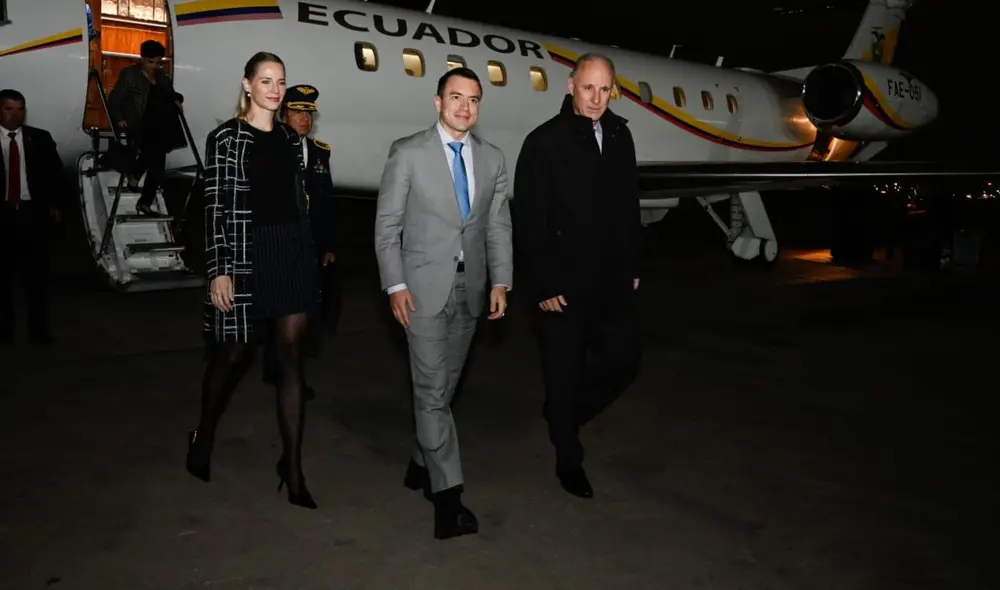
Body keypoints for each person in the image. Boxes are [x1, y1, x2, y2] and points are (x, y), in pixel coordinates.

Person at [374, 67, 513, 540]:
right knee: (432, 393)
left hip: (470, 288)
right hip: (421, 290)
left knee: (446, 388)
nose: (464, 107)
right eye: (456, 97)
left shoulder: (492, 158)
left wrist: (501, 282)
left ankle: (421, 464)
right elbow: (387, 227)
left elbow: (497, 226)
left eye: (473, 100)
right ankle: (448, 500)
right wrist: (395, 286)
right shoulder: (408, 153)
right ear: (437, 102)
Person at [185, 52, 320, 510]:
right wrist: (218, 268)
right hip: (245, 256)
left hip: (290, 254)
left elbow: (298, 201)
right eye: (266, 80)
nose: (275, 89)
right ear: (247, 85)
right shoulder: (225, 137)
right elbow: (216, 207)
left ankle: (294, 466)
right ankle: (204, 430)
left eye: (280, 81)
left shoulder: (289, 136)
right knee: (234, 353)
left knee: (291, 359)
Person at [513, 53, 642, 499]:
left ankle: (564, 416)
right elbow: (529, 220)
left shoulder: (621, 135)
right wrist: (542, 286)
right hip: (562, 287)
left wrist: (633, 266)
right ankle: (569, 458)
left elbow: (629, 207)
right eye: (588, 88)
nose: (596, 98)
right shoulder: (543, 142)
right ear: (569, 85)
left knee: (624, 361)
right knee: (563, 373)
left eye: (604, 89)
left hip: (610, 282)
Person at [261, 84, 339, 399]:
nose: (304, 119)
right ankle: (282, 374)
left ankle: (287, 373)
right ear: (283, 114)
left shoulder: (320, 152)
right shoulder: (270, 148)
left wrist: (330, 245)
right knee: (281, 313)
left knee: (305, 315)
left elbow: (326, 202)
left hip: (310, 248)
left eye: (308, 113)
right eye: (297, 111)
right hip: (279, 244)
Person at [1, 89, 64, 345]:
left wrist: (56, 204)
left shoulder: (39, 138)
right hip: (2, 215)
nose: (16, 114)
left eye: (20, 108)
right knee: (3, 280)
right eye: (9, 109)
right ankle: (5, 330)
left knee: (36, 280)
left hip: (31, 215)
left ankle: (38, 331)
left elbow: (56, 173)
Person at [107, 39, 186, 216]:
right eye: (151, 62)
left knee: (157, 165)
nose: (154, 66)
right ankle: (142, 197)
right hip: (139, 123)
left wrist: (177, 99)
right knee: (155, 159)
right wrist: (119, 119)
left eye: (158, 62)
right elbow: (115, 98)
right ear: (142, 58)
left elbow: (172, 93)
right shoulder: (130, 74)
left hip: (160, 124)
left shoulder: (161, 77)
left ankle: (137, 183)